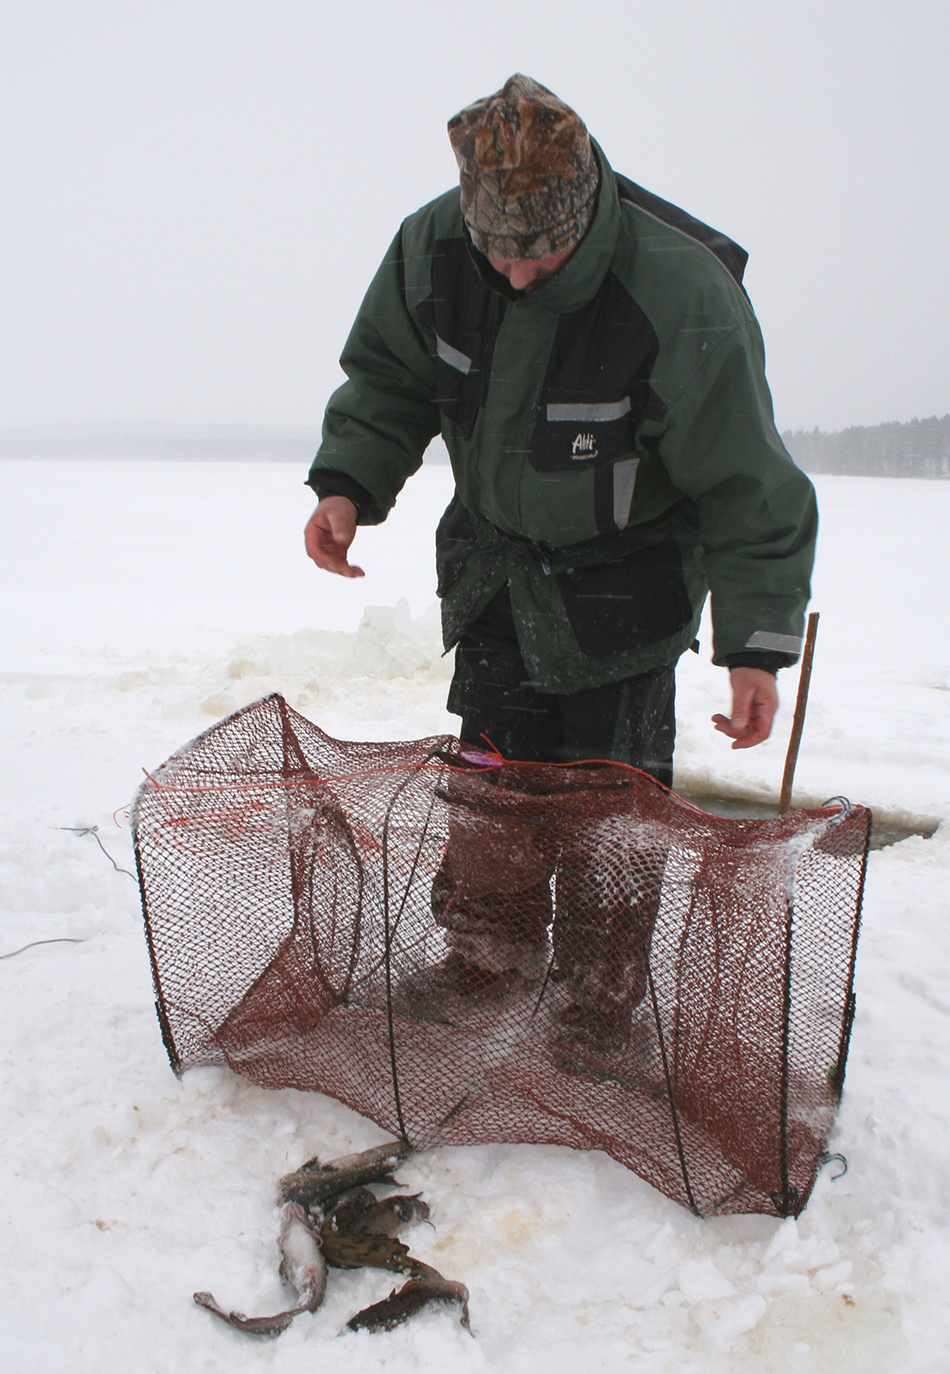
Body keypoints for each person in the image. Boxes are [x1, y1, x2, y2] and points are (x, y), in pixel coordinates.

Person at [303, 76, 817, 1058]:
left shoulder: (677, 292)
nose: (519, 271)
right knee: (491, 781)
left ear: (583, 212)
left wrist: (752, 646)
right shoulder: (430, 251)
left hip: (623, 595)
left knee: (611, 814)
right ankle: (485, 961)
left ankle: (595, 1005)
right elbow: (387, 380)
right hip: (496, 577)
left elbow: (748, 487)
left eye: (540, 249)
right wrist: (347, 486)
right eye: (499, 248)